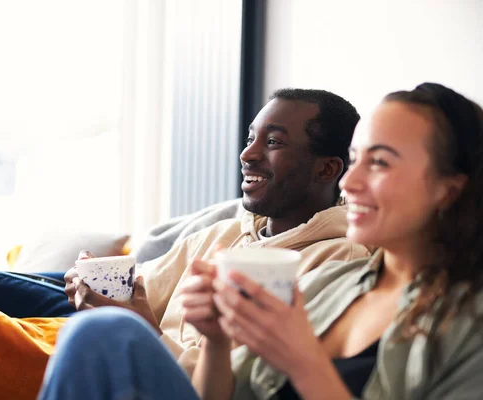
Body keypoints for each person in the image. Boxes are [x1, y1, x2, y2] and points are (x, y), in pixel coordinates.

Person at [37, 82, 483, 400]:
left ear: (449, 188)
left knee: (108, 334)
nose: (354, 179)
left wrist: (303, 361)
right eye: (355, 160)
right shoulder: (336, 284)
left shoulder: (468, 326)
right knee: (98, 332)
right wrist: (213, 340)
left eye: (380, 162)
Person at [63, 88, 370, 374]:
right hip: (120, 354)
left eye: (273, 142)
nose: (248, 154)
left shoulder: (339, 259)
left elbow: (242, 380)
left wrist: (146, 332)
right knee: (19, 292)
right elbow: (139, 291)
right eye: (251, 139)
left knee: (73, 335)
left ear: (327, 169)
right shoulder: (222, 234)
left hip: (165, 379)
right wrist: (90, 285)